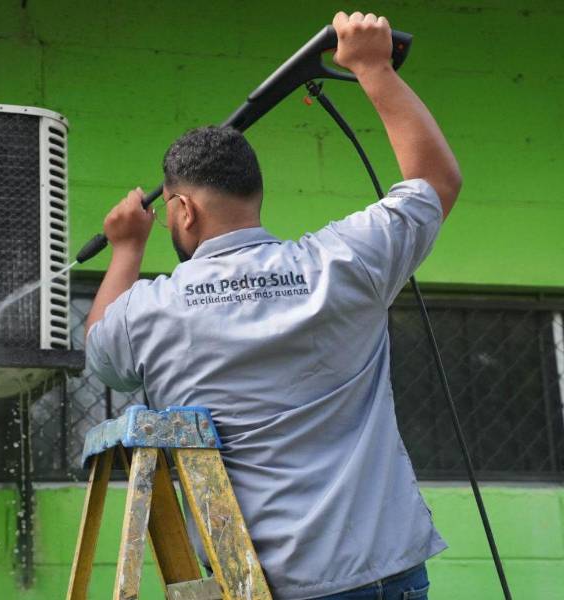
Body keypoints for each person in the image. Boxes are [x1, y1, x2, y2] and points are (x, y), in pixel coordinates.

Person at [84, 10, 461, 600]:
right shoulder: (342, 262)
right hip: (386, 575)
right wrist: (374, 68)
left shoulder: (150, 310)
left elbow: (100, 351)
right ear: (255, 194)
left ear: (182, 210)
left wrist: (127, 248)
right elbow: (435, 182)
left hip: (262, 586)